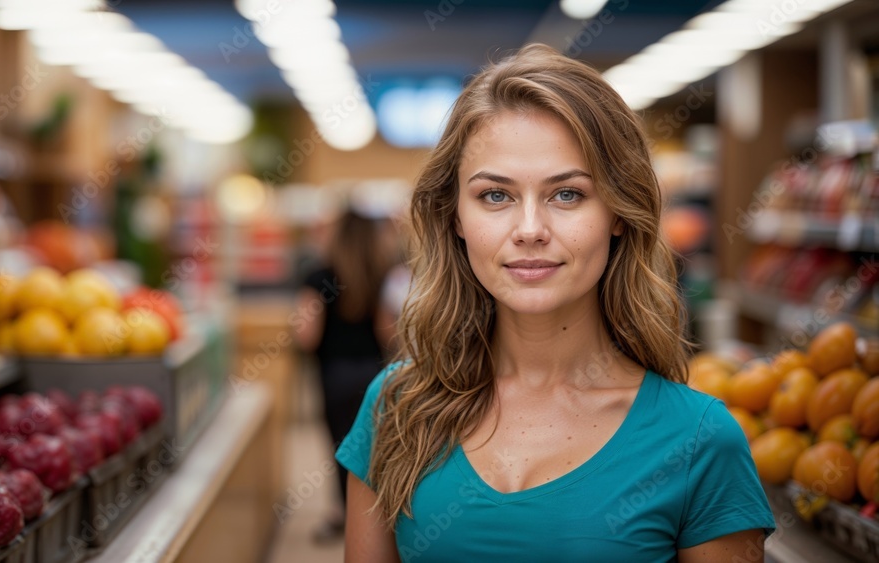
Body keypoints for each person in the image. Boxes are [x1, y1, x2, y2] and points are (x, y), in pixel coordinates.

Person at [337, 44, 776, 562]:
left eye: (567, 194)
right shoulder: (397, 407)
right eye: (495, 196)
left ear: (618, 212)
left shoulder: (699, 441)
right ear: (454, 217)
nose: (529, 231)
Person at [295, 204, 398, 542]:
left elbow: (306, 335)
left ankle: (343, 514)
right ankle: (377, 518)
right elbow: (388, 332)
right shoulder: (380, 274)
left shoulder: (318, 275)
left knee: (340, 447)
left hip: (334, 374)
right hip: (372, 373)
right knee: (372, 446)